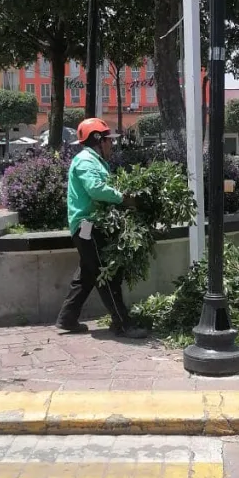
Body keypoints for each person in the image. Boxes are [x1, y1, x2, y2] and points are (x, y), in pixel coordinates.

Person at [56, 118, 148, 338]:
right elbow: (96, 189)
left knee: (88, 274)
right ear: (98, 140)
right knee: (107, 274)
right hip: (89, 226)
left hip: (90, 225)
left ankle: (67, 318)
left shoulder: (95, 160)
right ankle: (123, 324)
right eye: (109, 140)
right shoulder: (86, 161)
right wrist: (124, 199)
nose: (111, 145)